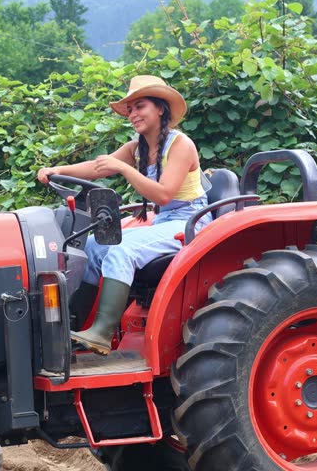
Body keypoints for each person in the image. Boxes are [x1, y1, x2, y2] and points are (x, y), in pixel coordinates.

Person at [37, 75, 212, 355]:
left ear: (160, 109)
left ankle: (102, 333)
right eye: (129, 109)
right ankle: (72, 329)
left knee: (123, 249)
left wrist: (125, 169)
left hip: (192, 221)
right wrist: (58, 170)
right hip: (166, 221)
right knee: (95, 245)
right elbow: (98, 168)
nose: (133, 114)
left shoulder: (181, 145)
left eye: (139, 106)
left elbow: (163, 195)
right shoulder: (138, 147)